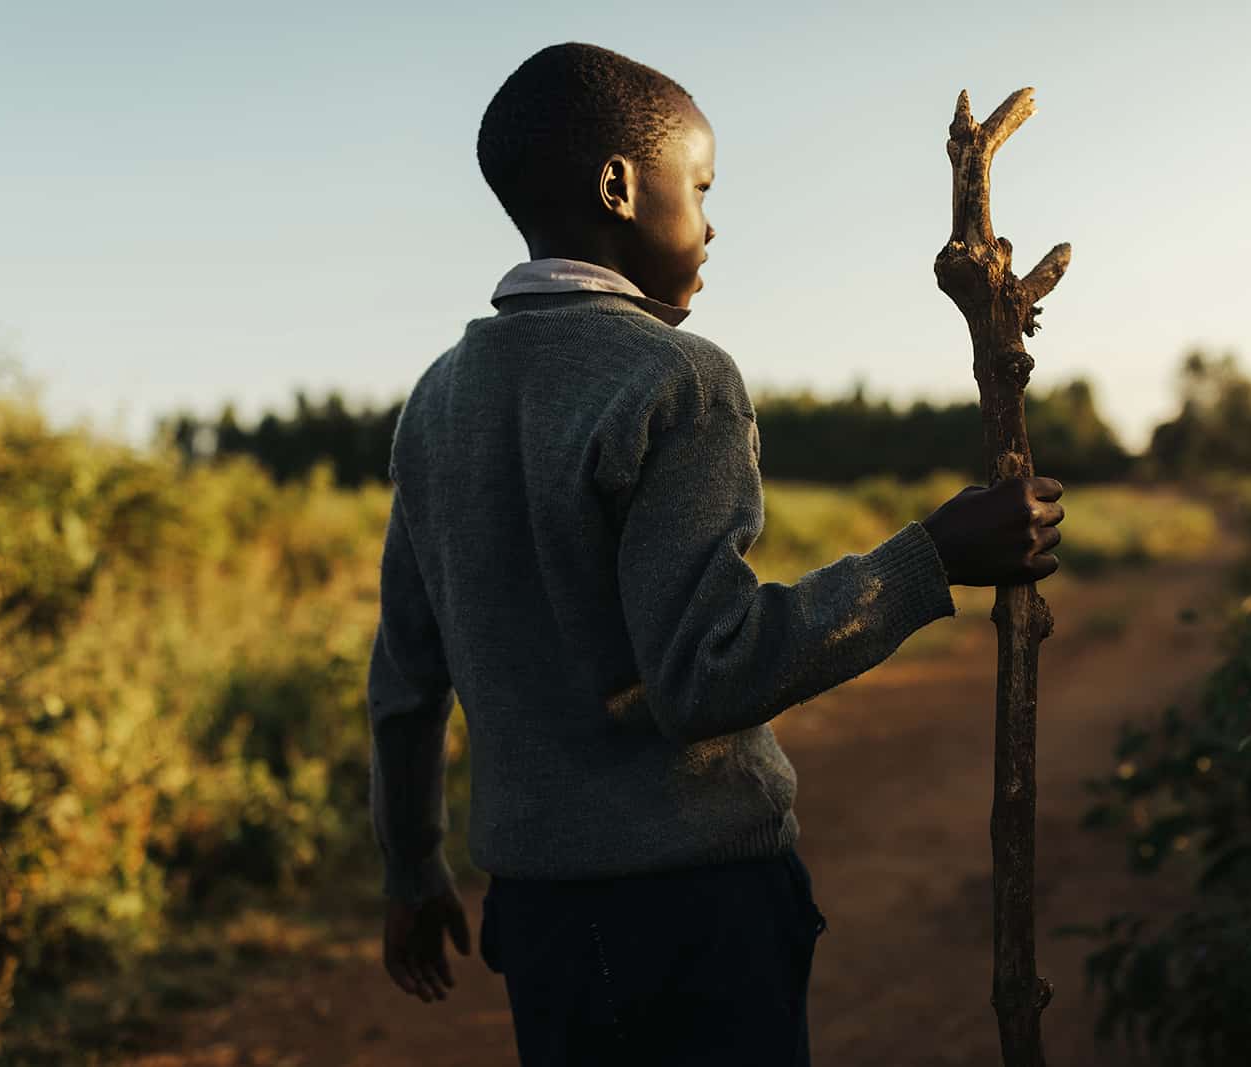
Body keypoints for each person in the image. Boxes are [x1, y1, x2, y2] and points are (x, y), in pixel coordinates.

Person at [365, 41, 1066, 1067]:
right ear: (619, 187)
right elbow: (705, 672)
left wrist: (411, 864)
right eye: (698, 187)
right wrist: (931, 556)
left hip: (542, 913)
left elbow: (403, 678)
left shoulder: (437, 398)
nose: (710, 222)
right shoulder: (679, 379)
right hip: (695, 910)